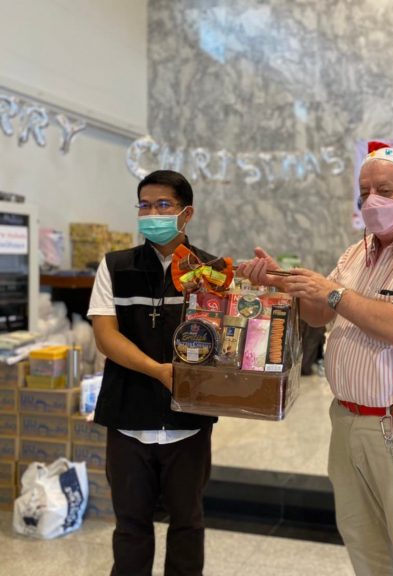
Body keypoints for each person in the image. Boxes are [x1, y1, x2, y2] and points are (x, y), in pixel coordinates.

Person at [238, 142, 393, 575]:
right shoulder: (356, 253)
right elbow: (319, 314)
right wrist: (284, 283)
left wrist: (332, 292)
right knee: (364, 543)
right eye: (364, 192)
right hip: (347, 420)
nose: (372, 201)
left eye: (385, 190)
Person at [88, 170, 217, 576]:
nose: (152, 213)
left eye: (163, 205)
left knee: (188, 524)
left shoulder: (211, 270)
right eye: (144, 205)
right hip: (127, 417)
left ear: (186, 213)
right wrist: (157, 371)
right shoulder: (116, 266)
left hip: (189, 421)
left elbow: (224, 339)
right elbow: (106, 336)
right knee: (130, 527)